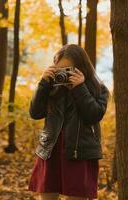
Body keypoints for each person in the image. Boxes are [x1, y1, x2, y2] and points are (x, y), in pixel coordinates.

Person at [28, 44, 109, 200]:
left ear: (81, 68)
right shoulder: (52, 87)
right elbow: (35, 113)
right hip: (51, 150)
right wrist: (43, 83)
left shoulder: (98, 89)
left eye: (68, 70)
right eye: (60, 70)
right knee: (47, 196)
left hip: (79, 152)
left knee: (76, 196)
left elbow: (93, 116)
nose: (63, 74)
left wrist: (80, 88)